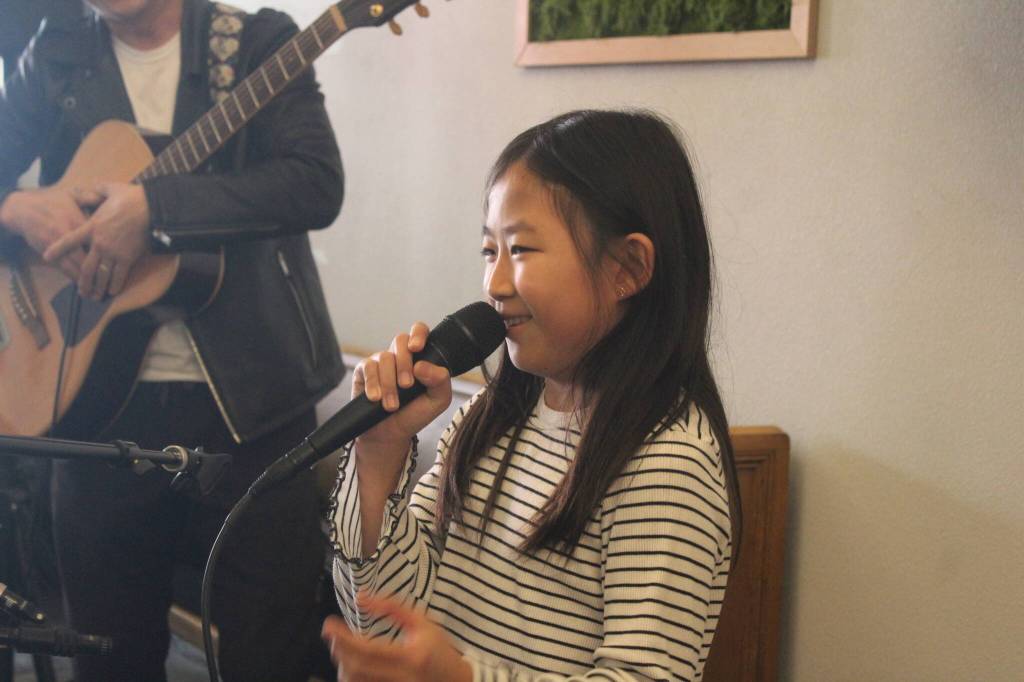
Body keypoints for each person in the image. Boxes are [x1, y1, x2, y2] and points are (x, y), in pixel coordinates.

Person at [323, 109, 742, 682]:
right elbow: (383, 625)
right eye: (489, 251)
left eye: (520, 251)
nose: (494, 285)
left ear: (629, 267)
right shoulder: (487, 419)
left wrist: (463, 679)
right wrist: (377, 454)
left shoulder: (667, 461)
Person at [0, 1, 344, 680]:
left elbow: (316, 183)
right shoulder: (58, 49)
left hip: (255, 408)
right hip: (94, 415)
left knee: (267, 654)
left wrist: (158, 210)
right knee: (107, 657)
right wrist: (16, 206)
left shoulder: (254, 42)